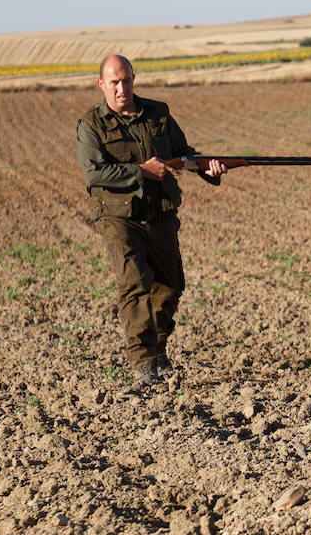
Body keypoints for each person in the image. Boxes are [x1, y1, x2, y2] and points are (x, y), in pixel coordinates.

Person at [76, 54, 227, 385]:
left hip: (160, 212)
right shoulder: (92, 125)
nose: (121, 89)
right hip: (118, 217)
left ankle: (157, 349)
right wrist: (141, 171)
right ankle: (143, 360)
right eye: (113, 82)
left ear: (134, 79)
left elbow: (184, 154)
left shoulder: (158, 113)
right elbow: (94, 172)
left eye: (126, 81)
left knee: (171, 286)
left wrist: (209, 169)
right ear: (102, 84)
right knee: (134, 281)